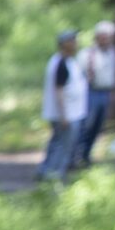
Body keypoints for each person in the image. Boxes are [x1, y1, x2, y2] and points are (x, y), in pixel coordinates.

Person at [39, 29, 88, 181]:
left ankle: (45, 171)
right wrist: (64, 115)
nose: (75, 44)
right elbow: (59, 91)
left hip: (70, 112)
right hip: (66, 114)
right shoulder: (61, 63)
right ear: (64, 44)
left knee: (56, 143)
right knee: (63, 146)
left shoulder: (68, 61)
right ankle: (54, 175)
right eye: (72, 41)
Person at [73, 21, 115, 167]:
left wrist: (113, 93)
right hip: (90, 92)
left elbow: (112, 74)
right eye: (103, 37)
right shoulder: (86, 54)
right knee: (86, 125)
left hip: (105, 92)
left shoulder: (112, 53)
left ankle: (87, 154)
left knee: (98, 126)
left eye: (109, 37)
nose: (106, 40)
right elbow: (77, 77)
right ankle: (76, 154)